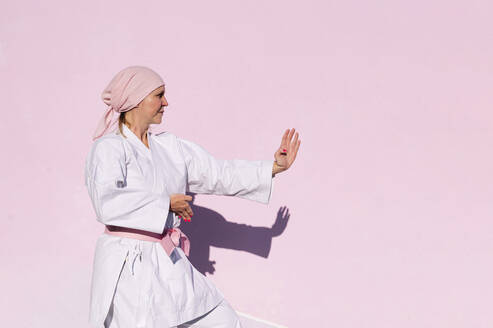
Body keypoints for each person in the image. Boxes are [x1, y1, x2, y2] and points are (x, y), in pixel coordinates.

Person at [84, 65, 301, 328]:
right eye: (159, 95)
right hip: (129, 265)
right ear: (137, 100)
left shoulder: (170, 147)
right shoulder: (108, 148)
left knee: (222, 320)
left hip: (167, 257)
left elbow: (218, 173)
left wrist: (273, 168)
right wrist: (165, 204)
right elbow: (107, 202)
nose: (166, 102)